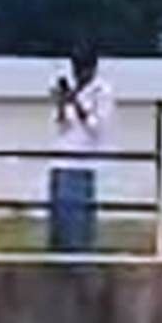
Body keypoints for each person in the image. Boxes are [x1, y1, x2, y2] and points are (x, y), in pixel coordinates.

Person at [47, 46, 114, 253]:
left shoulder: (102, 91)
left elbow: (96, 127)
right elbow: (61, 125)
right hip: (61, 158)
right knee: (60, 214)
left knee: (78, 216)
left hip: (84, 160)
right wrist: (61, 102)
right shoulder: (73, 90)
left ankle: (80, 253)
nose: (79, 74)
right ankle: (60, 254)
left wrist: (75, 102)